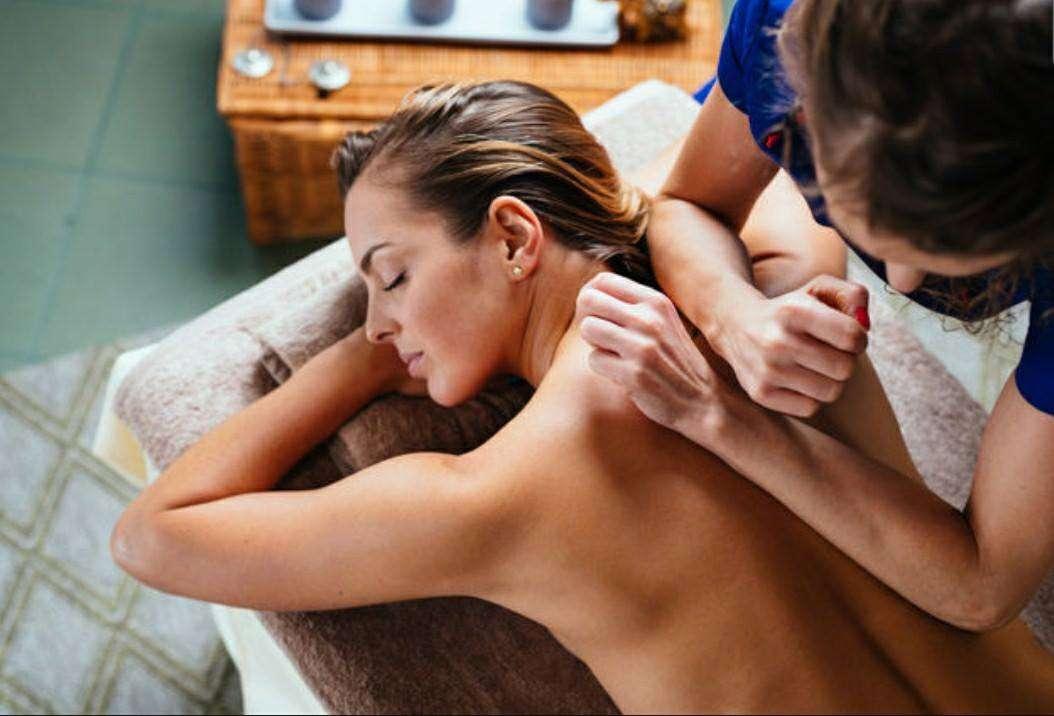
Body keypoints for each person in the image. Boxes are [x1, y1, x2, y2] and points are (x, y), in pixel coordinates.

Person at [110, 82, 1054, 713]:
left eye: (390, 277)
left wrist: (354, 365)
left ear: (515, 237)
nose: (380, 321)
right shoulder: (779, 304)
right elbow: (708, 175)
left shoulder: (503, 498)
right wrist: (616, 231)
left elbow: (154, 535)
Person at [577, 0, 1054, 633]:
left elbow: (983, 588)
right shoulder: (781, 26)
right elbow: (690, 205)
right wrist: (735, 317)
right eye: (845, 205)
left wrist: (719, 414)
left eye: (947, 250)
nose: (899, 285)